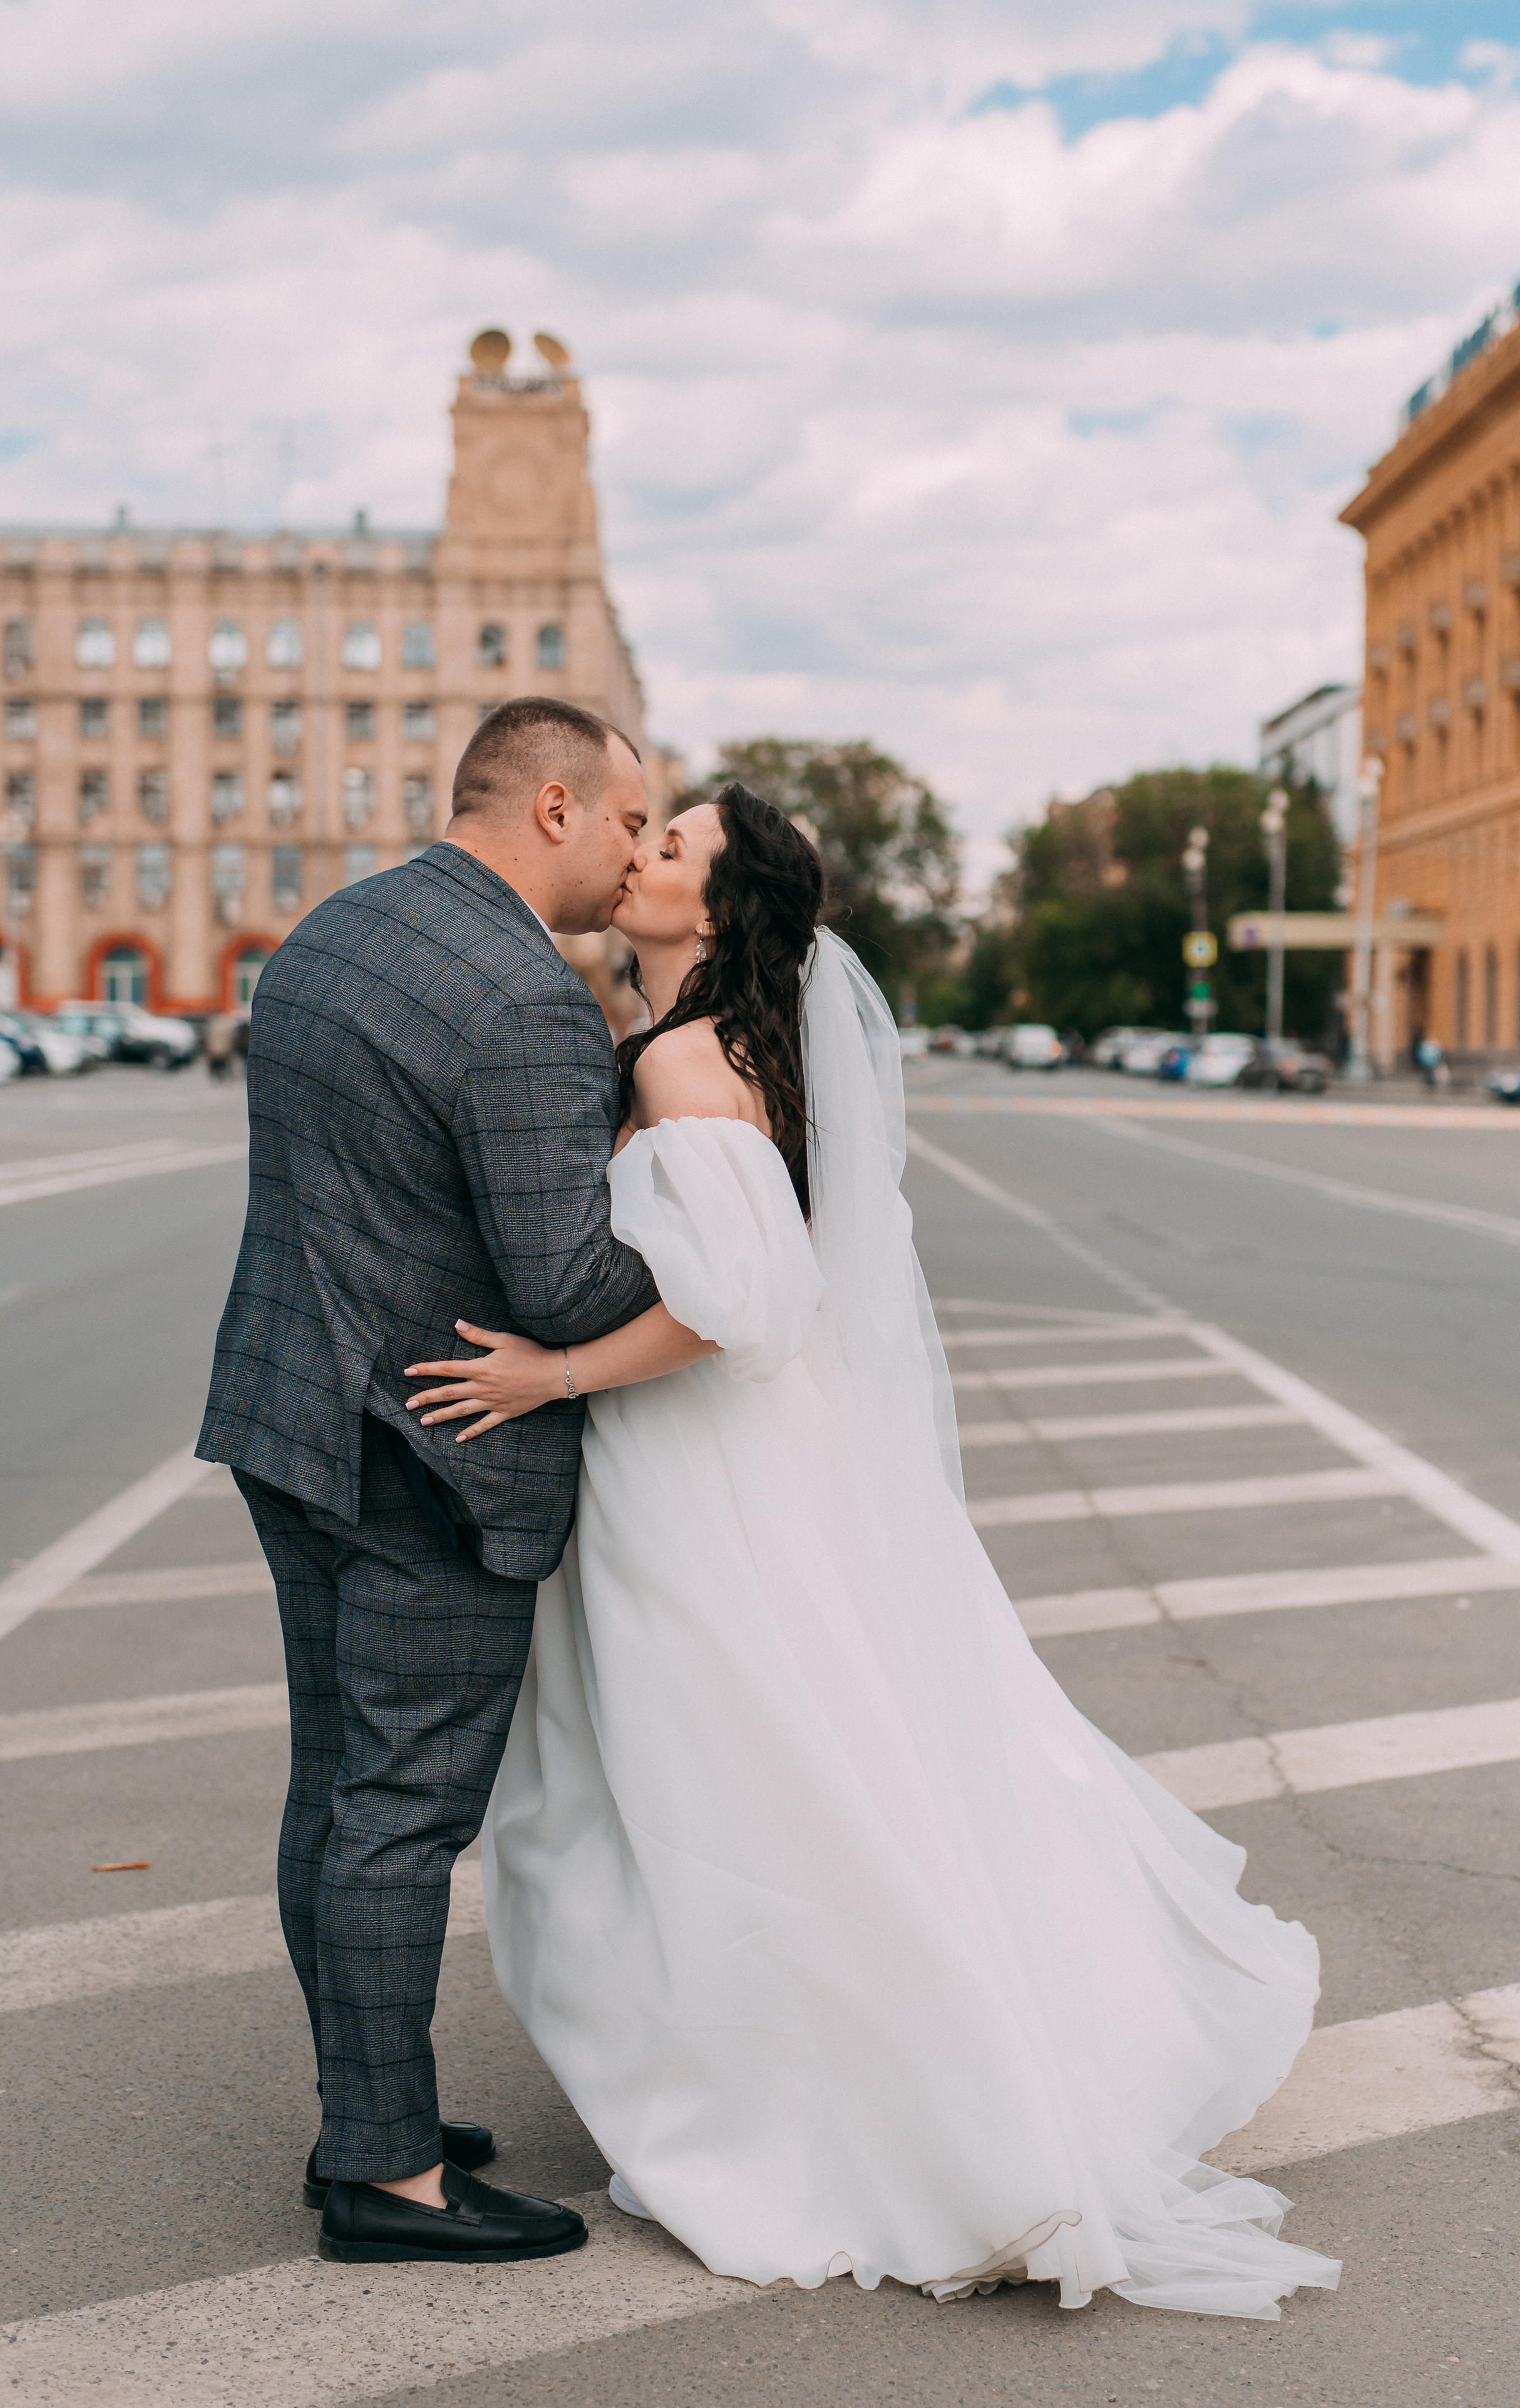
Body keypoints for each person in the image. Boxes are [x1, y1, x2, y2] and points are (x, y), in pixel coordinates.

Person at [403, 784, 1343, 2320]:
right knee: (784, 1763)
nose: (638, 853)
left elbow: (744, 1302)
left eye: (670, 845)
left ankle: (856, 2105)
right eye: (643, 832)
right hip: (739, 1459)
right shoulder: (705, 1042)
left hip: (698, 1471)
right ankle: (857, 2065)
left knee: (730, 1780)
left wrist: (547, 1376)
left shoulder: (682, 1058)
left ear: (712, 909)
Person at [197, 697, 682, 2268]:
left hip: (295, 1416)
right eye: (626, 819)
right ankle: (390, 2178)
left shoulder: (338, 929)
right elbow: (565, 1280)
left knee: (335, 1786)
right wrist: (718, 1231)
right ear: (551, 805)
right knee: (399, 1812)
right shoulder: (525, 998)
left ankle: (371, 2107)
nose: (632, 853)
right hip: (429, 1449)